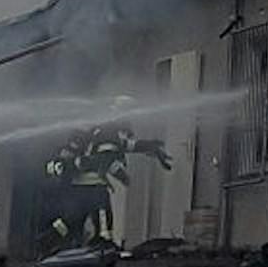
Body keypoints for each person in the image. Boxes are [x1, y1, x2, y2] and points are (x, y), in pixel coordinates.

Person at [41, 97, 172, 254]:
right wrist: (121, 174)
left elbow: (125, 145)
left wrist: (151, 147)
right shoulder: (110, 129)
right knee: (102, 215)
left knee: (72, 220)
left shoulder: (104, 129)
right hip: (94, 185)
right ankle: (102, 244)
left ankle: (48, 240)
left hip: (80, 186)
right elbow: (106, 157)